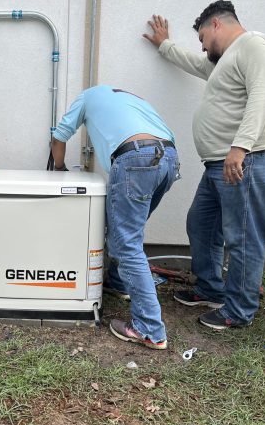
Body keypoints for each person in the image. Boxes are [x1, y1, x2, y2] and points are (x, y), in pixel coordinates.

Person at [144, 0, 265, 330]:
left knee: (242, 238)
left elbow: (262, 94)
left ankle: (238, 312)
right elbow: (195, 64)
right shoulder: (225, 60)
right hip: (217, 165)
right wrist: (164, 45)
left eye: (201, 37)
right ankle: (211, 289)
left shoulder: (253, 45)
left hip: (242, 161)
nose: (201, 46)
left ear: (216, 25)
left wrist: (240, 147)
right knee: (201, 225)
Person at [52, 85, 180, 350]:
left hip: (136, 157)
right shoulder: (133, 97)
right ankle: (119, 283)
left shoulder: (88, 96)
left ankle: (149, 329)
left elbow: (59, 136)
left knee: (126, 243)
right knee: (128, 233)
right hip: (168, 158)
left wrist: (59, 168)